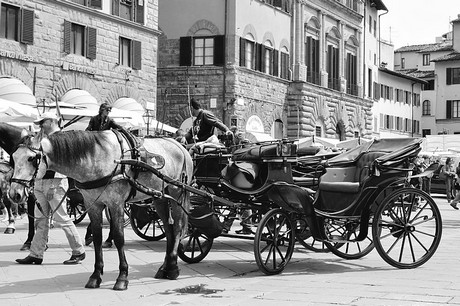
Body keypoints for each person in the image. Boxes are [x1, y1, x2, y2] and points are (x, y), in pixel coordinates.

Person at [16, 112, 86, 265]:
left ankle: (78, 251)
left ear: (52, 121)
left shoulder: (60, 138)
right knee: (40, 220)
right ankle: (36, 253)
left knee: (62, 218)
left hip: (55, 181)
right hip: (42, 182)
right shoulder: (44, 138)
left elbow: (63, 162)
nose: (40, 125)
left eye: (43, 122)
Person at [84, 103, 122, 248]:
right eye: (107, 110)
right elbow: (88, 131)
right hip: (94, 146)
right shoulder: (94, 119)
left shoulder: (110, 122)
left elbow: (119, 128)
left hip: (106, 149)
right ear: (101, 110)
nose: (109, 112)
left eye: (110, 110)